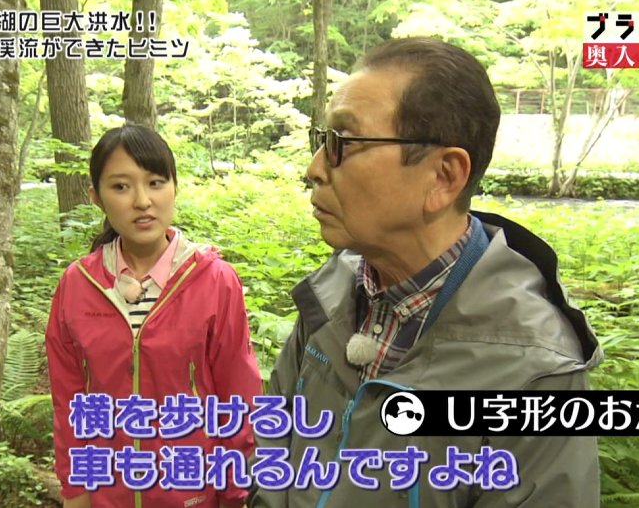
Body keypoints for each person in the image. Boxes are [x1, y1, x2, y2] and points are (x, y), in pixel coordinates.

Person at [248, 37, 603, 508]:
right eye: (321, 140)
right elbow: (273, 449)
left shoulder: (534, 371)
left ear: (443, 177)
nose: (314, 168)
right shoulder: (328, 297)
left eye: (342, 143)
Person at [46, 123, 262, 508]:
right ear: (96, 197)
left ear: (174, 187)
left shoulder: (214, 280)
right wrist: (75, 488)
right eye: (121, 186)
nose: (142, 201)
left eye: (156, 183)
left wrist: (234, 493)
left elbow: (238, 398)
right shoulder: (77, 285)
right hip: (106, 494)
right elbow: (68, 400)